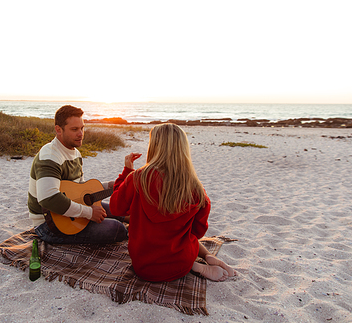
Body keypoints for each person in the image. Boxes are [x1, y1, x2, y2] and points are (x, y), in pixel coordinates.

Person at [109, 123, 237, 282]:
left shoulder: (137, 177)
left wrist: (126, 173)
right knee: (186, 235)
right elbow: (198, 232)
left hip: (143, 266)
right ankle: (202, 260)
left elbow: (115, 208)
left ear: (154, 147)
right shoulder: (195, 187)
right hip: (181, 263)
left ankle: (197, 264)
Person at [28, 105, 128, 244]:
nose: (80, 133)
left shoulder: (75, 153)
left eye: (82, 128)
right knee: (117, 229)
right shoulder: (50, 156)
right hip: (49, 224)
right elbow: (48, 198)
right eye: (74, 129)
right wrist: (89, 213)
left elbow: (79, 189)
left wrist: (109, 186)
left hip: (72, 209)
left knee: (124, 211)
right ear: (58, 130)